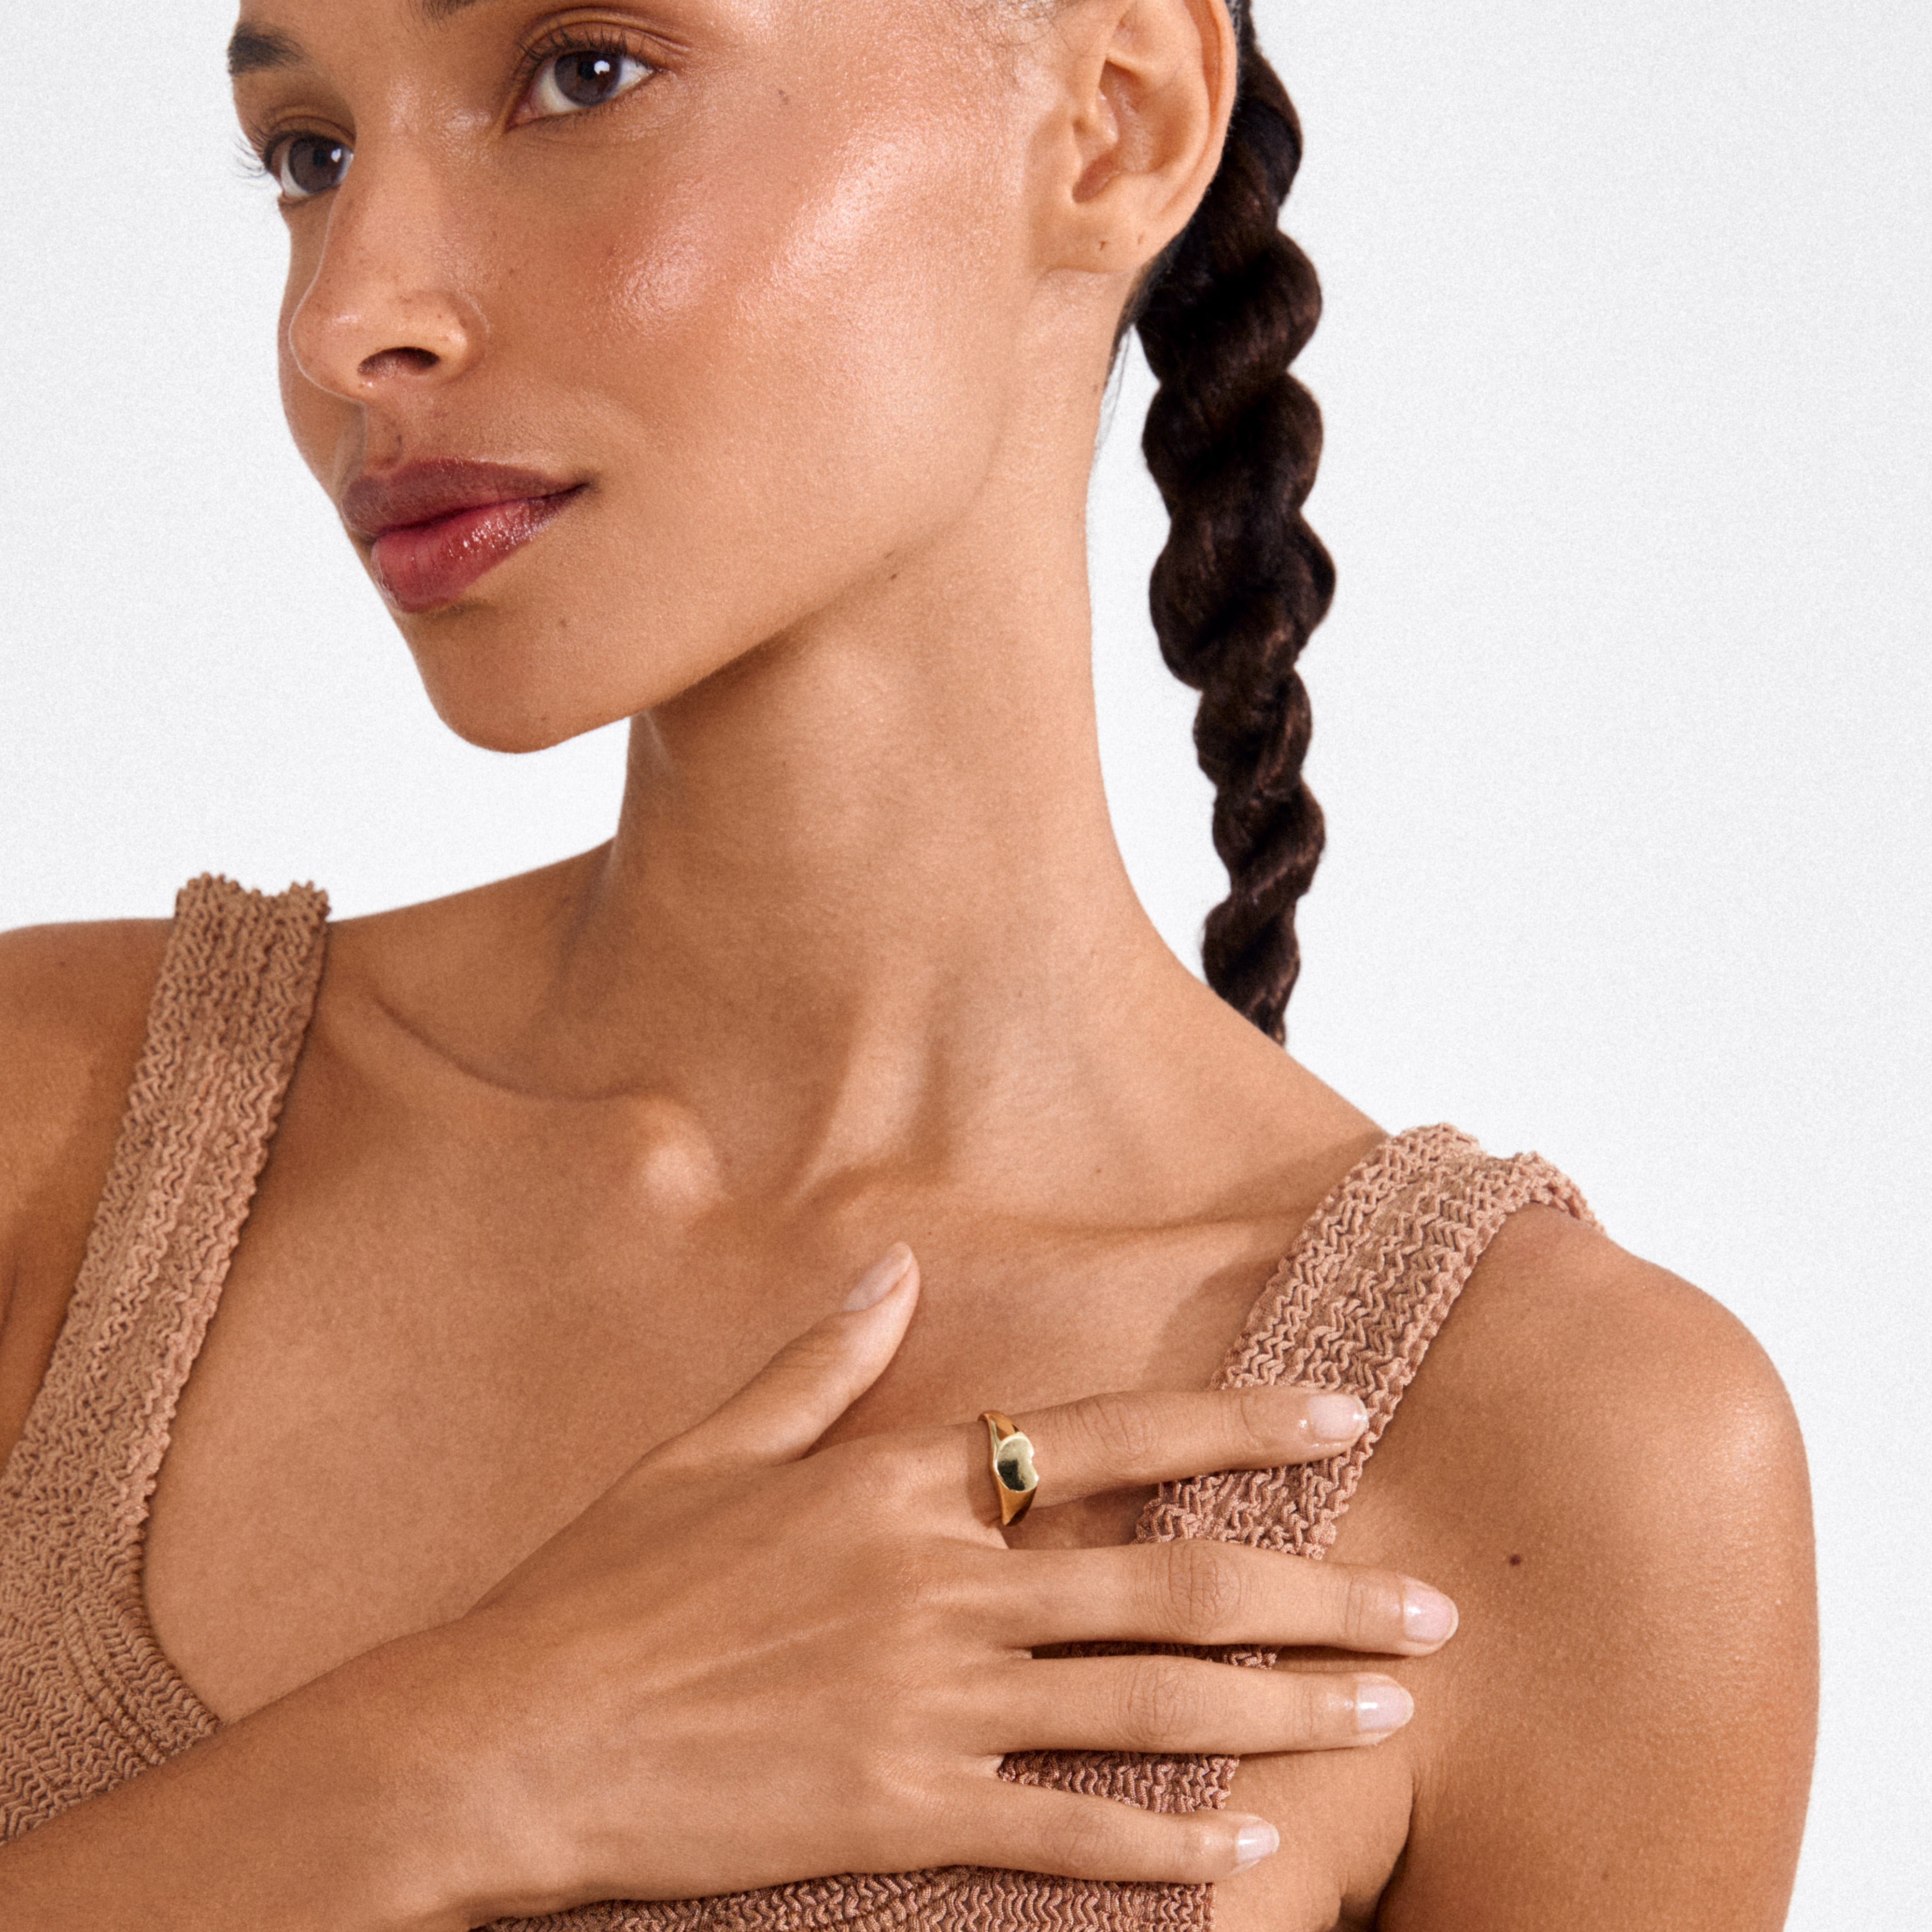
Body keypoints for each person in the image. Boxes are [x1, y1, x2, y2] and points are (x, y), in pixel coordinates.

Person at [0, 0, 1817, 1925]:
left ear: (1114, 119)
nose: (348, 315)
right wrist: (457, 1773)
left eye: (581, 73)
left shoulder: (1563, 1459)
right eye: (313, 154)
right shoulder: (69, 1133)